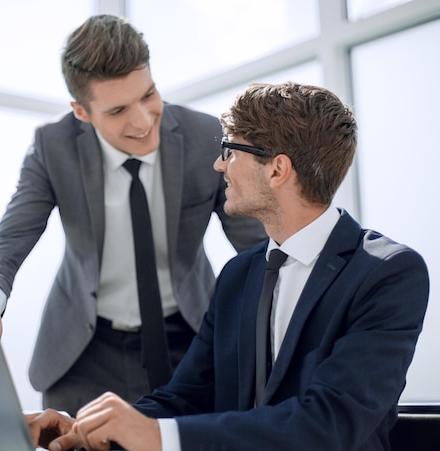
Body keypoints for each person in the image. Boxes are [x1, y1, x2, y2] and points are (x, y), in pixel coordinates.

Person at [25, 81, 430, 451]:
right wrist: (87, 430)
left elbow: (328, 424)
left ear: (277, 169)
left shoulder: (387, 274)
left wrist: (156, 437)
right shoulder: (238, 275)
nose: (220, 165)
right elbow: (185, 396)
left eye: (230, 151)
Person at [0, 14, 267, 415]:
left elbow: (257, 244)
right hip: (83, 349)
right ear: (82, 112)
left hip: (188, 339)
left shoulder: (204, 136)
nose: (143, 120)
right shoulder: (54, 147)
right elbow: (11, 238)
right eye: (117, 111)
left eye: (148, 95)